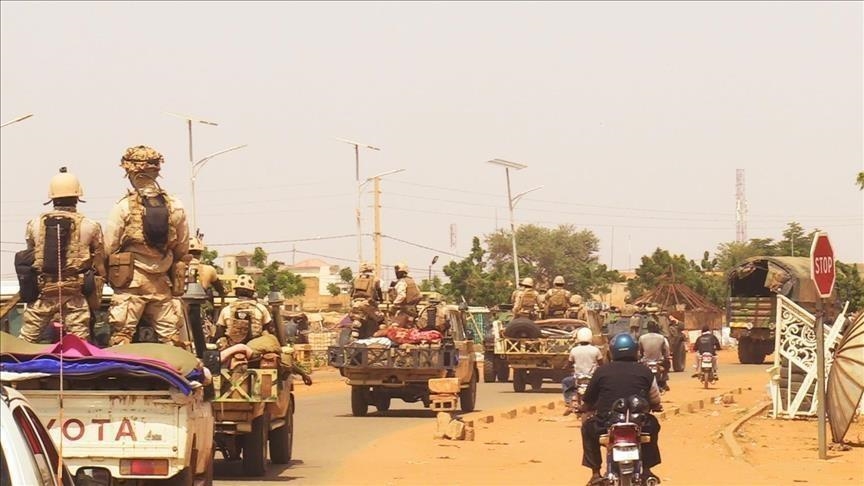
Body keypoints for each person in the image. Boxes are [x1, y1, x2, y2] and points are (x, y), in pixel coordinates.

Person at [105, 145, 189, 346]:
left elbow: (109, 246)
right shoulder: (175, 206)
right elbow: (183, 248)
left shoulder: (123, 206)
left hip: (129, 284)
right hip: (162, 284)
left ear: (130, 172)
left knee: (121, 339)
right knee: (172, 341)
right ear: (157, 171)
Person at [18, 167, 107, 343]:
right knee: (80, 346)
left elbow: (31, 254)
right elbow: (99, 262)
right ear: (77, 196)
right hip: (75, 295)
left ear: (51, 197)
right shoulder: (91, 226)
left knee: (24, 344)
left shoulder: (34, 224)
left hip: (43, 294)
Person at [580, 333, 663, 485]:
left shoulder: (601, 372)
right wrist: (656, 406)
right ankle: (647, 469)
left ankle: (596, 473)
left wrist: (583, 408)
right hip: (639, 424)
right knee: (654, 426)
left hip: (606, 423)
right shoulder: (645, 371)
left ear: (612, 351)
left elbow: (588, 400)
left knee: (586, 428)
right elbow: (655, 398)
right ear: (635, 351)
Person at [562, 327, 603, 415]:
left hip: (578, 379)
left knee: (565, 382)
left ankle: (569, 403)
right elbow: (601, 364)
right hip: (592, 379)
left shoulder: (574, 350)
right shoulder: (595, 350)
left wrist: (564, 368)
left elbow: (569, 364)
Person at [348, 262, 384, 338]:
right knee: (381, 319)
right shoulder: (375, 279)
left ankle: (354, 340)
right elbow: (378, 291)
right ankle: (381, 337)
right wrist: (381, 300)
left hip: (355, 303)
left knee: (357, 320)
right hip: (368, 303)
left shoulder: (356, 278)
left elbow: (352, 293)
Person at [639, 321, 671, 392]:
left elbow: (640, 351)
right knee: (668, 364)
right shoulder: (661, 337)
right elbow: (666, 350)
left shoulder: (642, 337)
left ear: (647, 328)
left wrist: (640, 358)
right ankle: (664, 380)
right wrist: (666, 357)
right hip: (659, 362)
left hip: (645, 362)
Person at [390, 262, 421, 327]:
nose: (396, 274)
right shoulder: (411, 281)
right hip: (412, 309)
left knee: (396, 327)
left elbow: (402, 295)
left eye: (398, 272)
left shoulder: (402, 282)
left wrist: (394, 304)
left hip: (403, 310)